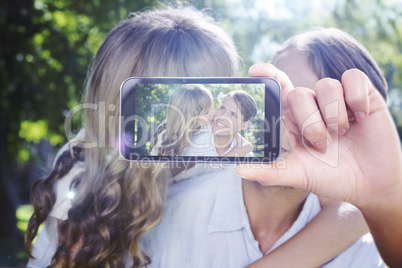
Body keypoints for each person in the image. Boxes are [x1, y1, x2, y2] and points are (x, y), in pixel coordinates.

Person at [25, 7, 371, 268]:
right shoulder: (83, 171)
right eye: (187, 104)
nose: (208, 117)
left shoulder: (223, 156)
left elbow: (353, 211)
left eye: (215, 95)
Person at [237, 28, 402, 267]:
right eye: (275, 94)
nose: (286, 120)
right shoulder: (178, 203)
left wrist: (381, 200)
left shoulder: (366, 253)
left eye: (316, 107)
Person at [149, 85, 251, 157]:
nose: (214, 112)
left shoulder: (209, 126)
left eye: (211, 106)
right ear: (189, 117)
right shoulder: (165, 138)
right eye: (206, 112)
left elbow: (240, 139)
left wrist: (246, 146)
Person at [184, 90, 257, 157]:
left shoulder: (247, 156)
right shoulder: (192, 143)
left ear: (244, 125)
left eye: (233, 114)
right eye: (222, 108)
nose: (222, 117)